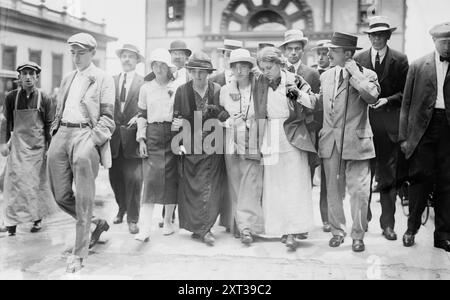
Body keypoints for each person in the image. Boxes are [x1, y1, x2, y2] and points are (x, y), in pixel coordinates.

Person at [47, 33, 115, 273]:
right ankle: (96, 223)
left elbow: (108, 117)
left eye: (81, 52)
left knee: (84, 197)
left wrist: (93, 140)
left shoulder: (103, 78)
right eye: (73, 52)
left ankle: (79, 254)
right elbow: (59, 108)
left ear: (92, 53)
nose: (76, 57)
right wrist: (54, 134)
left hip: (86, 133)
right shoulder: (68, 77)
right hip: (62, 132)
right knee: (60, 194)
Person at [312, 32, 380, 252]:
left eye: (334, 50)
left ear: (348, 54)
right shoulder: (326, 76)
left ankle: (358, 235)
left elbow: (372, 97)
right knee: (332, 190)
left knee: (359, 192)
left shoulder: (367, 74)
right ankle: (337, 231)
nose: (329, 53)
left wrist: (354, 72)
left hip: (357, 143)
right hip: (331, 142)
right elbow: (320, 103)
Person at [255, 47, 317, 251]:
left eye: (269, 67)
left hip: (292, 134)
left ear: (280, 64)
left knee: (293, 183)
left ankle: (292, 231)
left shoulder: (294, 79)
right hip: (270, 133)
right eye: (262, 68)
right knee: (274, 184)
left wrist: (298, 94)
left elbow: (313, 103)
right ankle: (279, 227)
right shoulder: (261, 82)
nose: (266, 72)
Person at [354, 16, 409, 241]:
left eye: (380, 35)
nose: (376, 39)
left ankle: (388, 224)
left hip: (389, 129)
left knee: (387, 178)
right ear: (369, 37)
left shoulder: (400, 59)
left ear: (387, 36)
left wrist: (388, 100)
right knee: (364, 175)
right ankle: (363, 220)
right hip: (365, 127)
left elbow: (406, 92)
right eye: (373, 35)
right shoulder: (359, 59)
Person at [399, 22, 450, 252]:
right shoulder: (419, 66)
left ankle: (443, 236)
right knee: (420, 182)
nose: (447, 46)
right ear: (434, 42)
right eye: (443, 42)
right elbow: (406, 104)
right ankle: (411, 229)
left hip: (448, 132)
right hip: (422, 133)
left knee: (447, 185)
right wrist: (404, 138)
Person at [171, 52, 228, 246]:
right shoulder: (181, 91)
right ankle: (198, 227)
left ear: (209, 73)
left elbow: (225, 114)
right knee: (193, 188)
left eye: (202, 72)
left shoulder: (218, 89)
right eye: (194, 71)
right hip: (190, 146)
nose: (198, 75)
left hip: (213, 145)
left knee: (210, 187)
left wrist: (218, 114)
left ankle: (206, 228)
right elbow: (176, 119)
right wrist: (177, 142)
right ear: (189, 72)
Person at [0, 62, 57, 236]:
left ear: (37, 77)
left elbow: (49, 125)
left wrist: (50, 148)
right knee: (14, 184)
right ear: (19, 77)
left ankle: (37, 219)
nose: (28, 77)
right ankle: (11, 222)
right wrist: (3, 143)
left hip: (37, 148)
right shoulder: (11, 97)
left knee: (36, 185)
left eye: (32, 74)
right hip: (18, 147)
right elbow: (5, 122)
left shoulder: (45, 98)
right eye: (24, 74)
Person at [134, 49, 182, 242]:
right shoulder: (146, 88)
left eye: (163, 65)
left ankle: (169, 221)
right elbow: (141, 115)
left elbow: (182, 112)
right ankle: (145, 227)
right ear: (152, 67)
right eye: (155, 65)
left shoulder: (177, 87)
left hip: (173, 134)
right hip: (153, 134)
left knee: (171, 179)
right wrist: (141, 138)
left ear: (168, 68)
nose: (159, 69)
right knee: (151, 180)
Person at [219, 49, 264, 245]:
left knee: (251, 183)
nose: (239, 69)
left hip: (253, 138)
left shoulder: (260, 87)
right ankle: (239, 223)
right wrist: (228, 121)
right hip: (231, 139)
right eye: (236, 66)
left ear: (249, 67)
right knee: (235, 182)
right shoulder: (225, 90)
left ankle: (248, 227)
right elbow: (219, 113)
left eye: (244, 65)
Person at [109, 44, 145, 235]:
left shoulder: (143, 82)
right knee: (115, 178)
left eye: (131, 56)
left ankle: (133, 218)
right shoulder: (111, 80)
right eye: (124, 56)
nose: (127, 60)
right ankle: (121, 208)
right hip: (114, 139)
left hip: (133, 138)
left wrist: (140, 116)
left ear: (137, 60)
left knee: (134, 179)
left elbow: (147, 106)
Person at [311, 39, 333, 233]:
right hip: (309, 132)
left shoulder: (337, 75)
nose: (322, 56)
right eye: (319, 53)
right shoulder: (310, 74)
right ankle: (302, 220)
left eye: (325, 53)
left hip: (328, 132)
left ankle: (326, 218)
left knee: (327, 177)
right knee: (305, 176)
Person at [279, 29, 320, 93]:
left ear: (303, 51)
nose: (293, 52)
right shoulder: (278, 71)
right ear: (285, 51)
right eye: (290, 49)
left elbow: (316, 100)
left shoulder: (312, 73)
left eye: (297, 48)